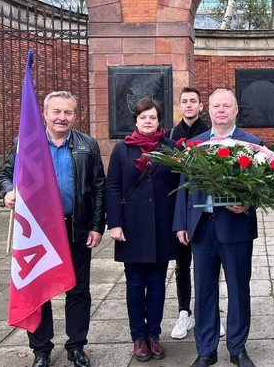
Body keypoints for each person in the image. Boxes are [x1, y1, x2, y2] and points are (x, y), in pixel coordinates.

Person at [0, 91, 105, 367]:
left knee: (78, 290)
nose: (62, 117)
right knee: (39, 287)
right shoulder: (25, 143)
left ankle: (76, 346)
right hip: (39, 232)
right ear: (45, 114)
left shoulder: (87, 144)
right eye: (56, 111)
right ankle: (41, 349)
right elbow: (6, 175)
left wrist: (96, 226)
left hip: (76, 228)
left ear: (75, 116)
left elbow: (99, 188)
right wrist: (8, 192)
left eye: (68, 112)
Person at [173, 88, 262, 367]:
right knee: (204, 291)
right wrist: (181, 224)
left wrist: (248, 203)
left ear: (236, 110)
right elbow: (184, 187)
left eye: (226, 106)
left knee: (238, 289)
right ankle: (206, 350)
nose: (221, 110)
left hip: (236, 227)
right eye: (216, 106)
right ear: (208, 110)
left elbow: (263, 186)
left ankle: (237, 348)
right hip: (202, 228)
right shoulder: (194, 144)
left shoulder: (252, 143)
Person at [105, 97, 180, 362]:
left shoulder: (170, 148)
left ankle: (153, 335)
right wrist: (114, 223)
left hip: (162, 224)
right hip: (132, 225)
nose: (148, 121)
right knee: (135, 283)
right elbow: (112, 187)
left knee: (158, 283)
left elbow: (179, 186)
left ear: (159, 121)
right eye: (143, 117)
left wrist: (179, 224)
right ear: (135, 121)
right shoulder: (122, 149)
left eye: (153, 117)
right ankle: (138, 337)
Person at [168, 87, 210, 340]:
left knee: (208, 267)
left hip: (203, 207)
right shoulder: (172, 135)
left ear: (200, 106)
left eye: (193, 101)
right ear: (180, 106)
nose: (189, 105)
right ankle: (184, 312)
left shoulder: (209, 133)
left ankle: (209, 314)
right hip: (181, 206)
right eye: (184, 101)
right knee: (182, 264)